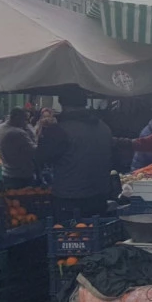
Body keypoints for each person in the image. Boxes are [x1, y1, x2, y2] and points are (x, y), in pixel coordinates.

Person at [37, 88, 115, 219]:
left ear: (62, 104)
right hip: (100, 197)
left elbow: (41, 156)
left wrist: (43, 131)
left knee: (71, 236)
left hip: (69, 199)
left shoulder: (60, 130)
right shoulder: (103, 127)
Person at [0, 108, 38, 189]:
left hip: (6, 172)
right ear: (17, 118)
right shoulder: (18, 133)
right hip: (21, 175)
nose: (26, 122)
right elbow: (35, 150)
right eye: (25, 119)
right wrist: (28, 128)